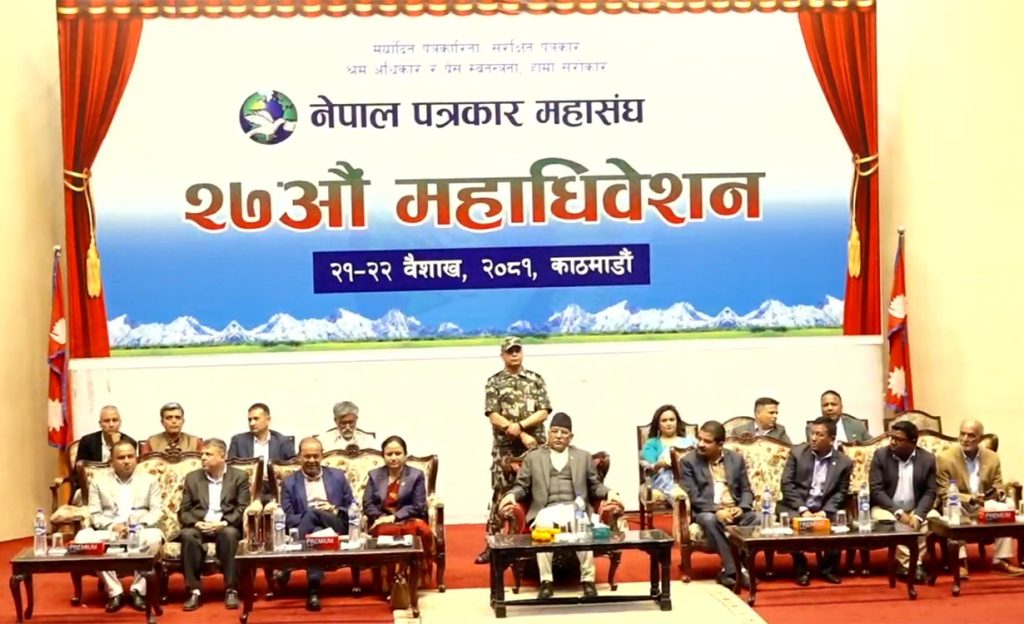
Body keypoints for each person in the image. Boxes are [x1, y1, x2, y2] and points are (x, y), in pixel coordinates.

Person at [499, 412, 621, 599]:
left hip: (575, 508)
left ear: (571, 437)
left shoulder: (583, 457)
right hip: (546, 510)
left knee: (582, 527)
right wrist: (511, 495)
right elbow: (522, 486)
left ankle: (587, 580)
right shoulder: (534, 458)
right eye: (554, 431)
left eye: (564, 432)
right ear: (548, 434)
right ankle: (546, 581)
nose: (558, 436)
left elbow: (594, 485)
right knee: (543, 527)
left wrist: (609, 492)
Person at [478, 336, 552, 564]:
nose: (514, 354)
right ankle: (493, 545)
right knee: (501, 493)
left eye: (517, 350)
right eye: (510, 351)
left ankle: (537, 544)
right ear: (502, 355)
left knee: (539, 492)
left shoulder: (535, 379)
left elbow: (544, 411)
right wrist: (519, 432)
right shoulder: (494, 382)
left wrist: (520, 426)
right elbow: (493, 415)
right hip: (506, 450)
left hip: (535, 447)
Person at [73, 440, 163, 613]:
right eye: (121, 458)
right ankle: (115, 591)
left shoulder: (149, 480)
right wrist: (114, 526)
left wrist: (138, 525)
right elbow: (95, 514)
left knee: (154, 537)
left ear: (136, 459)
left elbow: (157, 511)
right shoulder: (98, 482)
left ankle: (138, 591)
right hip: (110, 529)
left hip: (139, 528)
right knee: (82, 538)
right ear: (111, 461)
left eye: (130, 456)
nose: (127, 461)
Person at [936, 419, 1024, 578]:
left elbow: (998, 485)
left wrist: (998, 493)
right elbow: (943, 492)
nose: (965, 439)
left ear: (980, 438)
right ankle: (960, 561)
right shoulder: (945, 458)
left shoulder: (992, 458)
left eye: (971, 435)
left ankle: (1000, 560)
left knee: (1007, 506)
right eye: (962, 434)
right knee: (953, 506)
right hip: (959, 502)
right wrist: (971, 499)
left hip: (984, 504)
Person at [680, 420, 758, 588]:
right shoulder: (688, 462)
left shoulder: (735, 459)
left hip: (734, 509)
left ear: (720, 444)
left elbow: (746, 490)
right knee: (709, 520)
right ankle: (735, 570)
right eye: (700, 439)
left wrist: (741, 507)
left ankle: (729, 571)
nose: (701, 444)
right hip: (707, 511)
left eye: (707, 441)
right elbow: (693, 496)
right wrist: (717, 510)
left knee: (757, 518)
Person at [281, 437, 355, 611]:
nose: (312, 460)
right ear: (299, 457)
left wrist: (333, 509)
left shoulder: (337, 476)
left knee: (313, 515)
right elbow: (288, 517)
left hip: (336, 524)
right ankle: (313, 591)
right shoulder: (289, 483)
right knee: (315, 529)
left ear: (322, 456)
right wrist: (310, 516)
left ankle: (289, 565)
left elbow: (351, 506)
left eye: (316, 456)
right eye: (307, 456)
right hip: (308, 530)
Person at [178, 439, 251, 611]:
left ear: (223, 456)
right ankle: (194, 590)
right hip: (200, 525)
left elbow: (242, 508)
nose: (203, 458)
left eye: (208, 454)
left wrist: (223, 523)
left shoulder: (239, 477)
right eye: (202, 454)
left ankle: (231, 589)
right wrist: (197, 523)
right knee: (188, 536)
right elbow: (184, 511)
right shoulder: (192, 478)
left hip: (225, 524)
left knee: (229, 534)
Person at [780, 416, 852, 586]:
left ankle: (828, 569)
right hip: (797, 506)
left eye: (819, 435)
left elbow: (841, 493)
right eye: (812, 433)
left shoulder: (844, 462)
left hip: (824, 507)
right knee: (789, 519)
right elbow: (786, 484)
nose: (813, 438)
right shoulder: (797, 453)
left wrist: (824, 512)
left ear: (832, 439)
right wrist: (803, 509)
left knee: (839, 521)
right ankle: (801, 568)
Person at [868, 420, 937, 582]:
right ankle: (913, 565)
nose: (893, 442)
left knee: (933, 520)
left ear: (913, 442)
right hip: (887, 508)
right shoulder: (881, 456)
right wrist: (898, 513)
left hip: (916, 508)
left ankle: (909, 564)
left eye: (898, 439)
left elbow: (930, 491)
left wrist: (918, 515)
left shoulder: (927, 459)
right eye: (891, 437)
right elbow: (876, 490)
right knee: (893, 524)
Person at [363, 435, 433, 582]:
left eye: (398, 453)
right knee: (385, 532)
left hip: (408, 519)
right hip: (382, 520)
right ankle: (388, 580)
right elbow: (368, 503)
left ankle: (414, 575)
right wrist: (381, 518)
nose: (393, 458)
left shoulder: (416, 475)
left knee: (423, 531)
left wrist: (394, 517)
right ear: (383, 456)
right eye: (389, 454)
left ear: (405, 455)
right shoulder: (375, 476)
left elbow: (418, 505)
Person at [228, 402, 295, 501]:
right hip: (246, 490)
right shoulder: (238, 441)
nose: (252, 423)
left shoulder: (283, 442)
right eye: (249, 420)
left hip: (274, 490)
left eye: (256, 419)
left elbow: (294, 469)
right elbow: (230, 469)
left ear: (268, 420)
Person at [639, 404, 695, 497]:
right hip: (664, 481)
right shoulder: (652, 444)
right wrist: (659, 464)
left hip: (689, 476)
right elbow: (649, 465)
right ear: (658, 424)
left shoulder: (690, 440)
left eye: (672, 420)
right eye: (664, 420)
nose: (669, 423)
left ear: (677, 422)